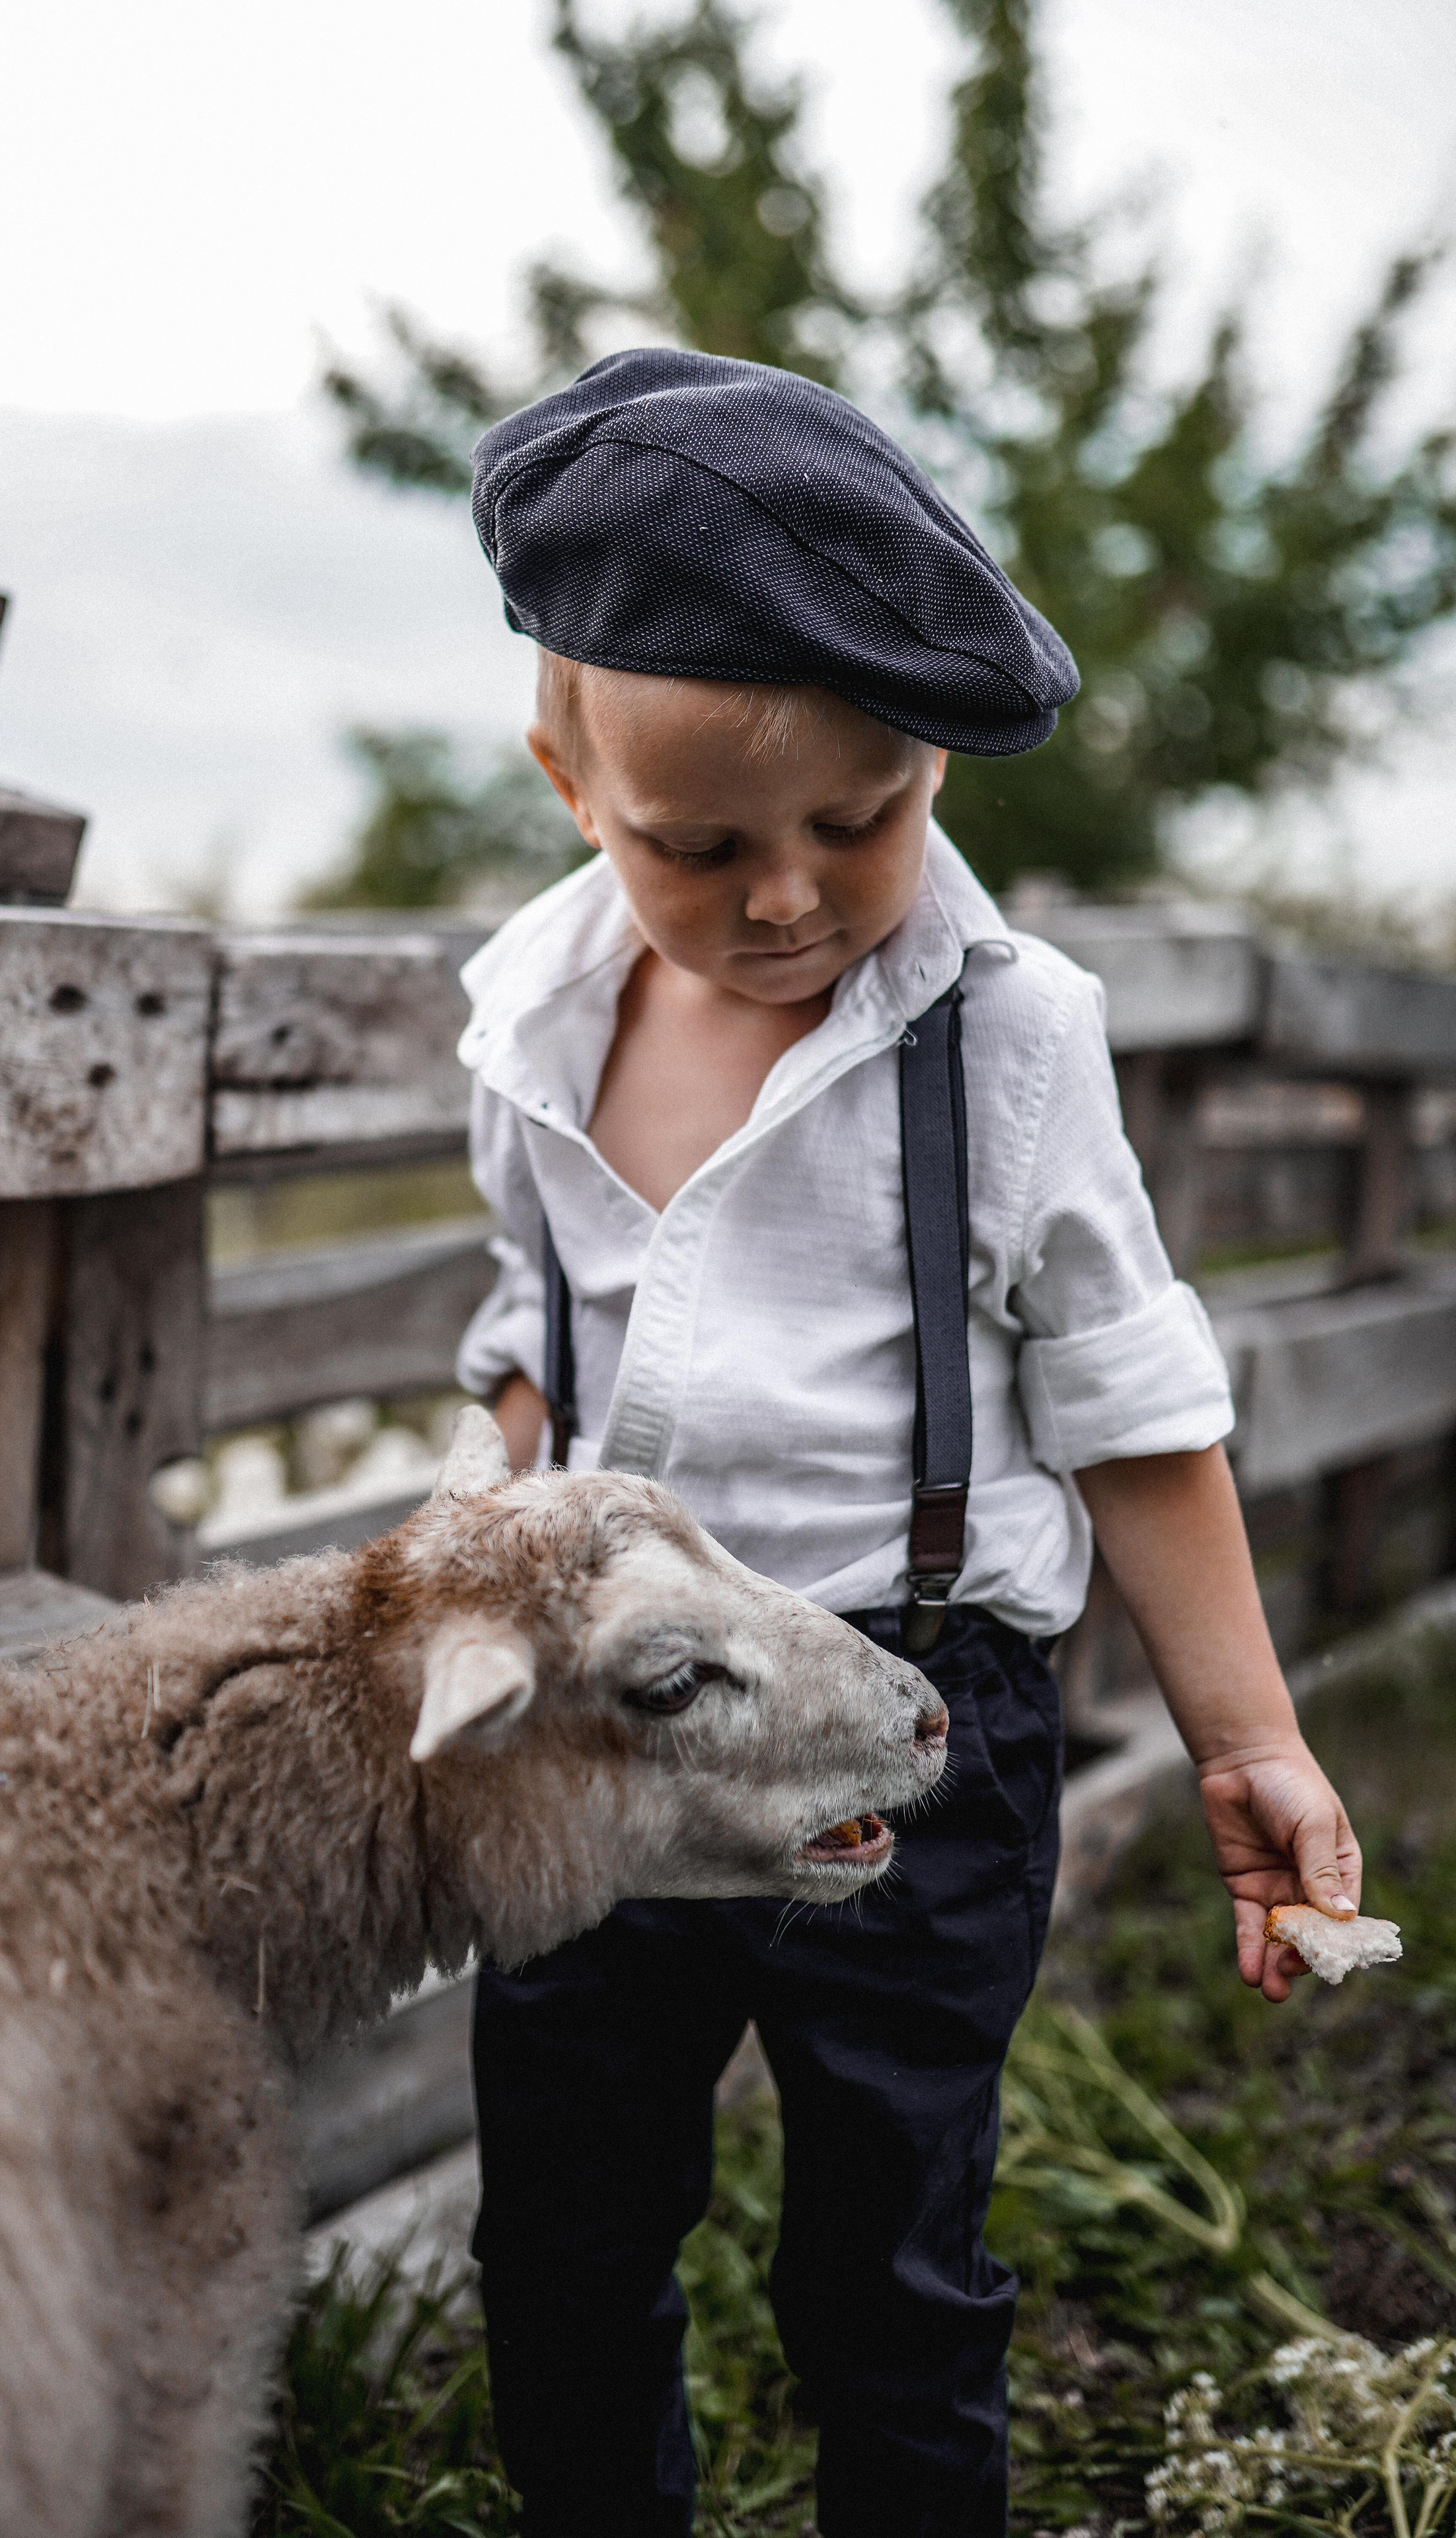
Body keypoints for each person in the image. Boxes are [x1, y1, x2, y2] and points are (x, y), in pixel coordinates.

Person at [451, 347, 1361, 2538]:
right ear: (572, 783)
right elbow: (528, 1326)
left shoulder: (1012, 1038)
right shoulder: (526, 1021)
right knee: (564, 2231)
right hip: (599, 1729)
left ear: (934, 756)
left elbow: (1135, 1409)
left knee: (889, 2254)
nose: (787, 897)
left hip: (909, 1714)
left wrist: (1248, 1737)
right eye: (704, 845)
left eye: (861, 820)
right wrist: (483, 1550)